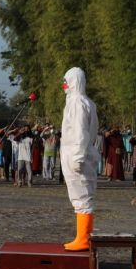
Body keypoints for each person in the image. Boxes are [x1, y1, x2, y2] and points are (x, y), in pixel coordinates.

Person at [60, 67, 99, 251]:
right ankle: (83, 236)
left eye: (66, 80)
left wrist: (77, 156)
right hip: (81, 151)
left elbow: (80, 131)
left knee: (82, 196)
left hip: (78, 153)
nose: (64, 85)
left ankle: (83, 239)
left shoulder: (77, 102)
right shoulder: (87, 102)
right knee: (81, 196)